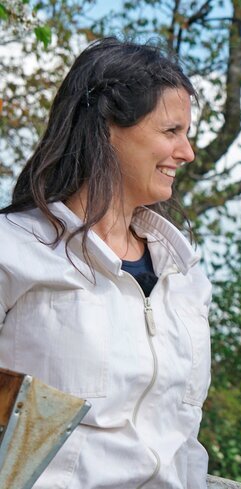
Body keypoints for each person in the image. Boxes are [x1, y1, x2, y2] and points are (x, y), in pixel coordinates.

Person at [0, 38, 212, 487]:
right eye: (171, 131)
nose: (187, 152)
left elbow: (184, 435)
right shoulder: (13, 248)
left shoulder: (184, 276)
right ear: (106, 129)